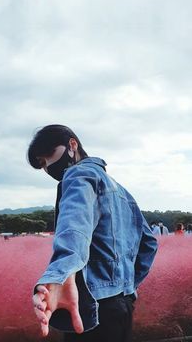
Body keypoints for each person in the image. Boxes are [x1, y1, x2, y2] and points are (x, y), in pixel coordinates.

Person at [27, 124, 158, 342]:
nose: (47, 167)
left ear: (72, 144)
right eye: (41, 164)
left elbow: (74, 228)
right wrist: (127, 285)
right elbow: (149, 244)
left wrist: (60, 273)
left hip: (93, 308)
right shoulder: (121, 191)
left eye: (48, 156)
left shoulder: (77, 175)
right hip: (123, 306)